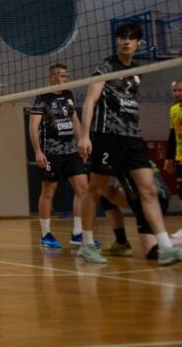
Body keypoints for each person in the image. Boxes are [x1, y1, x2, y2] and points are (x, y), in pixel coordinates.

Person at [77, 22, 182, 265]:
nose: (126, 41)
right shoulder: (106, 66)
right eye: (122, 37)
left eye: (131, 38)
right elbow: (91, 101)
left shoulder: (137, 71)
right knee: (96, 189)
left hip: (133, 137)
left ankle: (165, 246)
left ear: (138, 43)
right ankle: (86, 244)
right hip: (107, 135)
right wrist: (84, 136)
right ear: (117, 40)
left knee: (149, 189)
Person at [28, 63, 91, 249]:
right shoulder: (42, 98)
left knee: (83, 189)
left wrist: (81, 143)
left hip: (71, 152)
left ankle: (78, 233)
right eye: (62, 76)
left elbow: (75, 121)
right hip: (51, 153)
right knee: (49, 191)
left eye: (66, 75)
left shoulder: (69, 95)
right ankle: (46, 234)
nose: (66, 79)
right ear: (52, 78)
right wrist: (38, 151)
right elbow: (33, 126)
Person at [166, 79, 182, 238]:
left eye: (180, 90)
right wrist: (168, 158)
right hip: (179, 156)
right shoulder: (173, 110)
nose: (176, 93)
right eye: (174, 90)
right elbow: (172, 135)